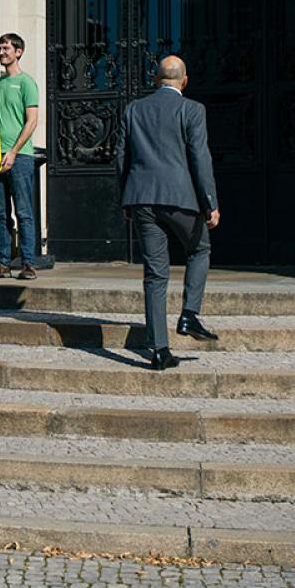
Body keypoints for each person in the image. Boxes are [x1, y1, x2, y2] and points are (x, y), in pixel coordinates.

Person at [114, 55, 220, 371]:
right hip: (180, 198)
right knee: (199, 249)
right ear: (184, 81)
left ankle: (159, 350)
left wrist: (126, 200)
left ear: (156, 79)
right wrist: (210, 202)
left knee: (155, 274)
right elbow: (200, 157)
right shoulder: (192, 109)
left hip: (142, 199)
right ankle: (189, 314)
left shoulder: (134, 109)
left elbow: (121, 156)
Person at [0, 33, 40, 281]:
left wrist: (13, 152)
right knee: (1, 213)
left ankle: (28, 264)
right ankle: (3, 262)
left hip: (20, 157)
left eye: (6, 48)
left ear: (19, 51)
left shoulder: (26, 83)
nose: (1, 52)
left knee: (23, 212)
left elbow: (32, 120)